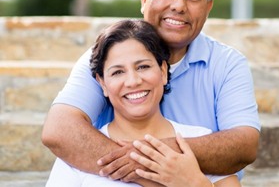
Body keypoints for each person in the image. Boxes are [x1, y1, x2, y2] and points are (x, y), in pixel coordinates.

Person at [42, 0, 260, 184]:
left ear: (208, 7)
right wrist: (152, 173)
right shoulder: (107, 54)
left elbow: (244, 145)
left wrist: (150, 161)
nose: (178, 5)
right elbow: (60, 129)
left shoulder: (227, 64)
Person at [46, 19, 240, 186]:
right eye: (118, 72)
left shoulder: (199, 140)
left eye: (143, 67)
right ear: (102, 83)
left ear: (163, 72)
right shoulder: (78, 153)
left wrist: (195, 184)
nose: (133, 81)